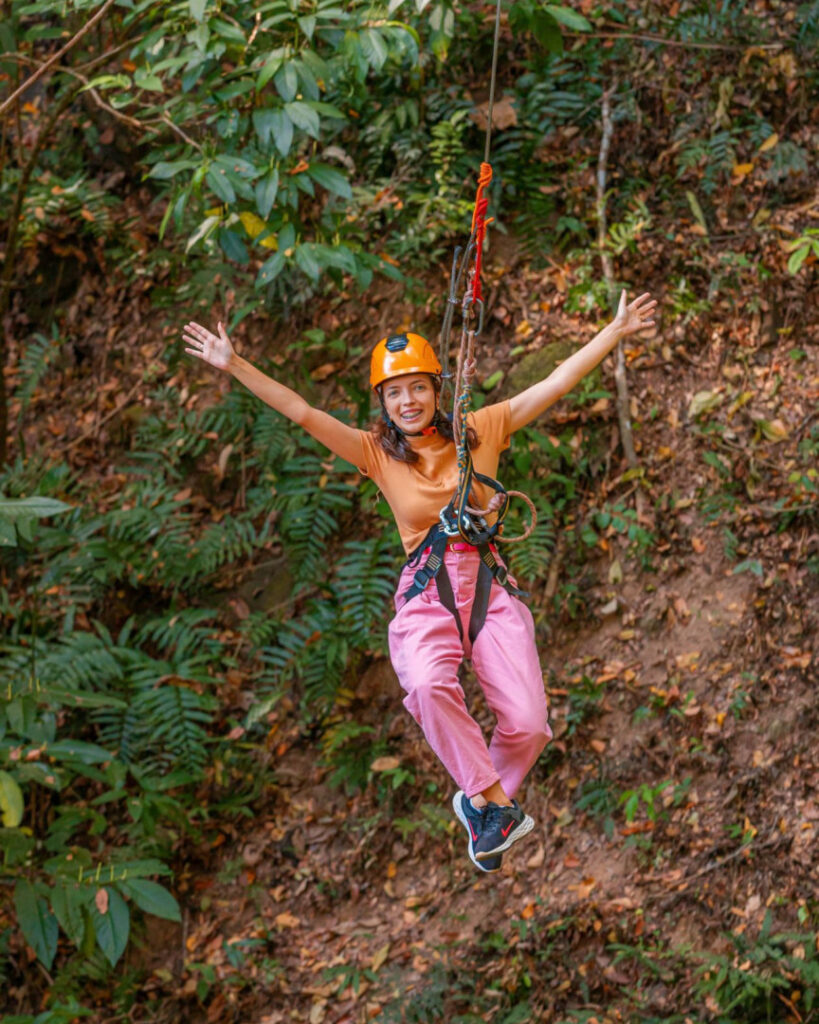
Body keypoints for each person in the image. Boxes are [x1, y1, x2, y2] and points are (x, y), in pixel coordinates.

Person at [183, 289, 656, 874]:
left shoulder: (480, 430)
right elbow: (302, 411)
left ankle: (481, 802)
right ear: (382, 403)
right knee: (429, 685)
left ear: (437, 391)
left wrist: (614, 332)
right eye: (394, 393)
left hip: (488, 587)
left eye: (417, 388)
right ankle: (490, 803)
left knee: (531, 725)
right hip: (428, 593)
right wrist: (236, 365)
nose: (407, 401)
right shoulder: (375, 454)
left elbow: (554, 384)